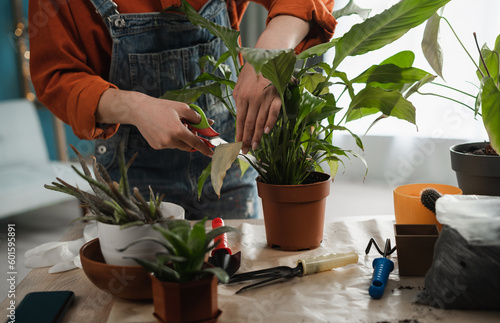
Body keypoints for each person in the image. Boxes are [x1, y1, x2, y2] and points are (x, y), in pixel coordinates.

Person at [29, 0, 336, 219]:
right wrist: (134, 106)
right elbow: (56, 76)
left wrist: (271, 50)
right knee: (142, 297)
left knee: (233, 282)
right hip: (132, 178)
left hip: (226, 166)